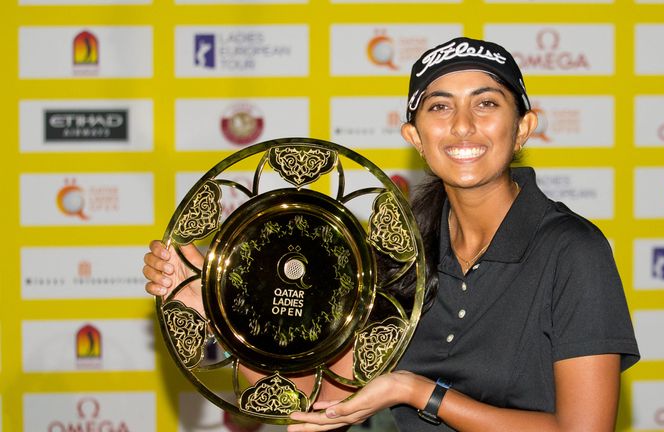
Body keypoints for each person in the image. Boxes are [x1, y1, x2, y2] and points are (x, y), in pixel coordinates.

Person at [144, 36, 639, 432]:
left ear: (524, 127)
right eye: (440, 107)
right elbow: (319, 399)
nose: (463, 127)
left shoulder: (573, 250)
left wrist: (420, 392)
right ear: (415, 137)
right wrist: (206, 301)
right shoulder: (403, 254)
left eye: (486, 103)